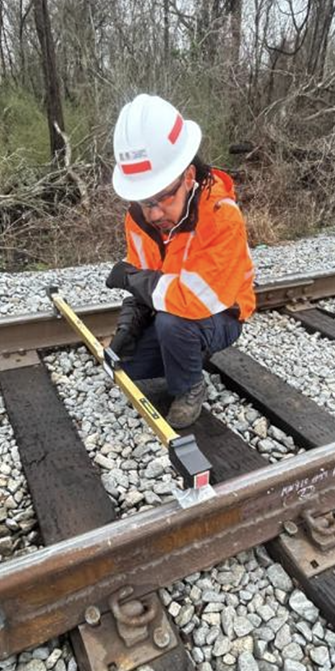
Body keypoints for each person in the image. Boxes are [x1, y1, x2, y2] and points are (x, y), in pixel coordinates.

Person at [102, 94, 257, 429]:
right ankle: (183, 355)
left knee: (175, 325)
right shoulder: (139, 220)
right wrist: (129, 323)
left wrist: (132, 280)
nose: (154, 212)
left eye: (164, 197)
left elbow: (194, 301)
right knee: (128, 368)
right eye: (145, 200)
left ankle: (190, 387)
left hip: (220, 313)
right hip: (173, 309)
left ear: (188, 177)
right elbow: (148, 280)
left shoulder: (221, 217)